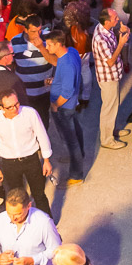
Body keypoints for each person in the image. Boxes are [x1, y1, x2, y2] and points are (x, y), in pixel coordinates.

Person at [0, 89, 53, 215]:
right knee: (17, 197)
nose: (15, 108)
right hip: (9, 163)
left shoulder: (30, 113)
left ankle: (48, 223)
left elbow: (42, 136)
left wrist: (46, 160)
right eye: (10, 107)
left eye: (16, 104)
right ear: (1, 108)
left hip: (31, 160)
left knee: (39, 195)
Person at [47, 26, 85, 186]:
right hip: (70, 104)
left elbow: (67, 91)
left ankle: (76, 174)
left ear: (58, 44)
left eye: (49, 45)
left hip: (64, 107)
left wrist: (56, 105)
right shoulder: (71, 52)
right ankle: (79, 154)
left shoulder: (67, 63)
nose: (47, 48)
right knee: (76, 131)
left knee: (71, 141)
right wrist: (55, 81)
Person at [93, 6, 131, 149]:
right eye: (115, 18)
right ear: (107, 21)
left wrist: (119, 32)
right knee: (109, 108)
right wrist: (121, 44)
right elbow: (110, 61)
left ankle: (111, 130)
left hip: (112, 75)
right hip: (108, 77)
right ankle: (107, 139)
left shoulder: (104, 28)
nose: (118, 19)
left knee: (112, 106)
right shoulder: (100, 39)